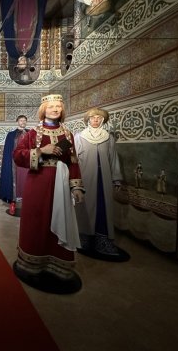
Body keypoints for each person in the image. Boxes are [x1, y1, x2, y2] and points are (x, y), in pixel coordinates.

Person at [12, 94, 84, 294]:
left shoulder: (67, 134)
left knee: (62, 218)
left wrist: (76, 186)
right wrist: (41, 150)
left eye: (58, 106)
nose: (55, 109)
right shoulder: (33, 133)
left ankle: (58, 264)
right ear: (43, 110)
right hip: (38, 183)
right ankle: (31, 263)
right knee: (37, 221)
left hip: (61, 183)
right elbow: (17, 155)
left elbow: (73, 161)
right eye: (51, 106)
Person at [74, 108, 129, 261]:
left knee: (103, 208)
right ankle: (84, 239)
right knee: (85, 208)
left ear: (102, 120)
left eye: (98, 117)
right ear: (88, 120)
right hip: (85, 179)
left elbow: (113, 158)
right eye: (92, 117)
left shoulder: (108, 138)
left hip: (104, 180)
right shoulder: (79, 137)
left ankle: (102, 242)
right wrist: (74, 181)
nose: (95, 120)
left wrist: (116, 178)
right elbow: (74, 160)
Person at [0, 0, 50, 84]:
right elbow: (37, 35)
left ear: (17, 63)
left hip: (17, 23)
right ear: (26, 63)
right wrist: (38, 22)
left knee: (16, 4)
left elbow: (8, 33)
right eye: (24, 63)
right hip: (30, 22)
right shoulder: (31, 52)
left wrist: (8, 20)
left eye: (20, 63)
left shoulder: (12, 52)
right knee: (31, 3)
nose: (22, 61)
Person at [0, 115, 29, 216]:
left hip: (26, 163)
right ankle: (13, 203)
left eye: (24, 120)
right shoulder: (11, 135)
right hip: (14, 163)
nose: (23, 122)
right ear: (17, 122)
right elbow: (8, 151)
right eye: (21, 120)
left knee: (27, 182)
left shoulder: (30, 133)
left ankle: (28, 206)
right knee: (14, 183)